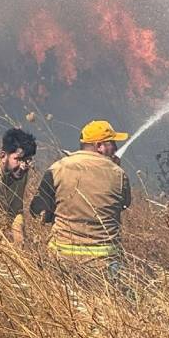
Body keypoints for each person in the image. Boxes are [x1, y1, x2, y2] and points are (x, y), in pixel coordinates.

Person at [29, 120, 132, 280]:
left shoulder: (57, 168)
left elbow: (37, 210)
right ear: (100, 146)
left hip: (61, 260)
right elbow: (124, 204)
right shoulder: (119, 174)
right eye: (112, 143)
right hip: (105, 264)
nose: (116, 148)